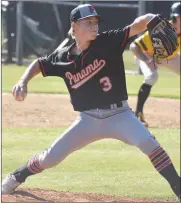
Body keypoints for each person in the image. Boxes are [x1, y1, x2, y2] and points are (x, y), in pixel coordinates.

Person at [2, 4, 180, 200]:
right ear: (75, 26)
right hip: (88, 120)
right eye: (89, 22)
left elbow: (138, 24)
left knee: (149, 144)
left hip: (120, 116)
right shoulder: (62, 57)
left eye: (96, 22)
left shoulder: (109, 41)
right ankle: (16, 176)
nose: (95, 26)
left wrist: (152, 18)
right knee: (51, 157)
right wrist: (23, 81)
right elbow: (39, 64)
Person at [130, 2, 180, 127]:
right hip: (147, 55)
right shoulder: (161, 28)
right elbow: (134, 46)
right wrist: (147, 60)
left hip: (170, 57)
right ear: (174, 17)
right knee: (152, 76)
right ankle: (138, 113)